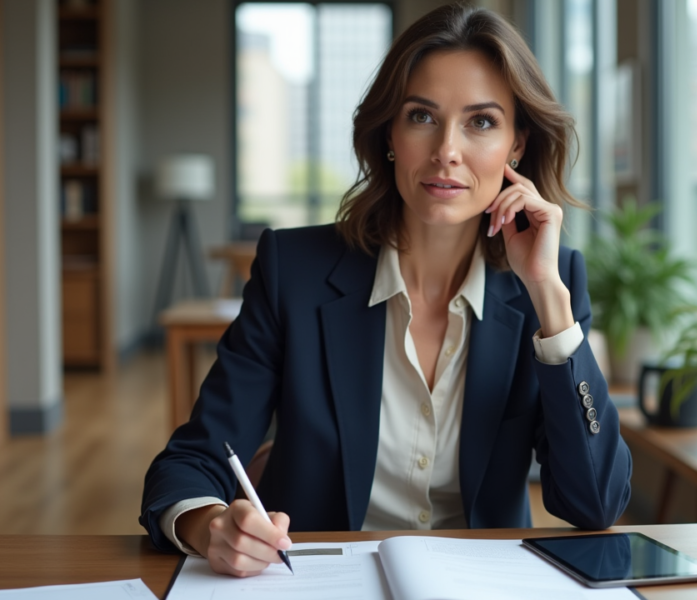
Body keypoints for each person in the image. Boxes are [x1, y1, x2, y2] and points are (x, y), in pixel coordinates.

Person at [141, 3, 632, 578]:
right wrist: (211, 526)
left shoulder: (552, 283)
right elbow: (191, 461)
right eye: (422, 116)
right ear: (391, 134)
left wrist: (547, 295)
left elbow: (595, 505)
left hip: (479, 585)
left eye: (481, 122)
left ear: (517, 145)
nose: (447, 149)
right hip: (313, 581)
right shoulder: (293, 270)